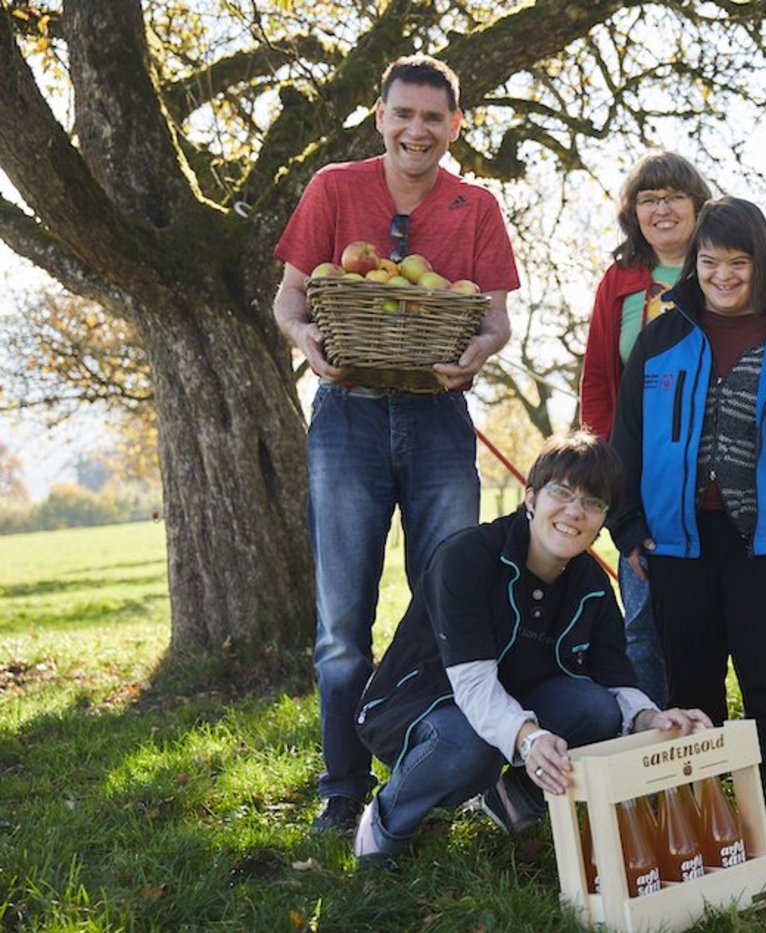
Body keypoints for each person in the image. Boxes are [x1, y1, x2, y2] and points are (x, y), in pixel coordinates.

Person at [272, 54, 520, 832]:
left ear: (455, 125)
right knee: (343, 625)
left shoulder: (474, 205)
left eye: (434, 117)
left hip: (438, 419)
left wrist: (477, 352)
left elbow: (496, 318)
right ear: (380, 116)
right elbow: (288, 297)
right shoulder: (333, 189)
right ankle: (341, 787)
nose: (418, 129)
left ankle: (438, 771)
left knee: (451, 606)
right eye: (403, 114)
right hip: (346, 416)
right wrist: (310, 340)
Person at [610, 197, 766, 856]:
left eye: (737, 263)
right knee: (691, 683)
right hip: (676, 542)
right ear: (696, 263)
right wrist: (629, 528)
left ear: (760, 263)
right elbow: (625, 440)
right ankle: (704, 808)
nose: (722, 275)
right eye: (710, 261)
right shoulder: (662, 337)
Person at [351, 432, 711, 865]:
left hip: (513, 701)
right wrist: (529, 738)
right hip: (423, 706)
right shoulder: (467, 557)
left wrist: (653, 718)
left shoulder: (592, 586)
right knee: (473, 745)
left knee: (600, 710)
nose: (574, 511)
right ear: (531, 498)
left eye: (593, 502)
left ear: (603, 519)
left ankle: (512, 800)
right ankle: (387, 824)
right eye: (561, 492)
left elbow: (614, 679)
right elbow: (473, 684)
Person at [579, 151, 713, 706]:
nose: (662, 209)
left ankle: (711, 742)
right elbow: (598, 384)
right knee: (642, 619)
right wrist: (610, 473)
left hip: (713, 473)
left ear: (698, 204)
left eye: (674, 196)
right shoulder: (619, 283)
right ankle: (651, 741)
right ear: (633, 212)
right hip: (641, 476)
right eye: (648, 199)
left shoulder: (721, 268)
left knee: (708, 621)